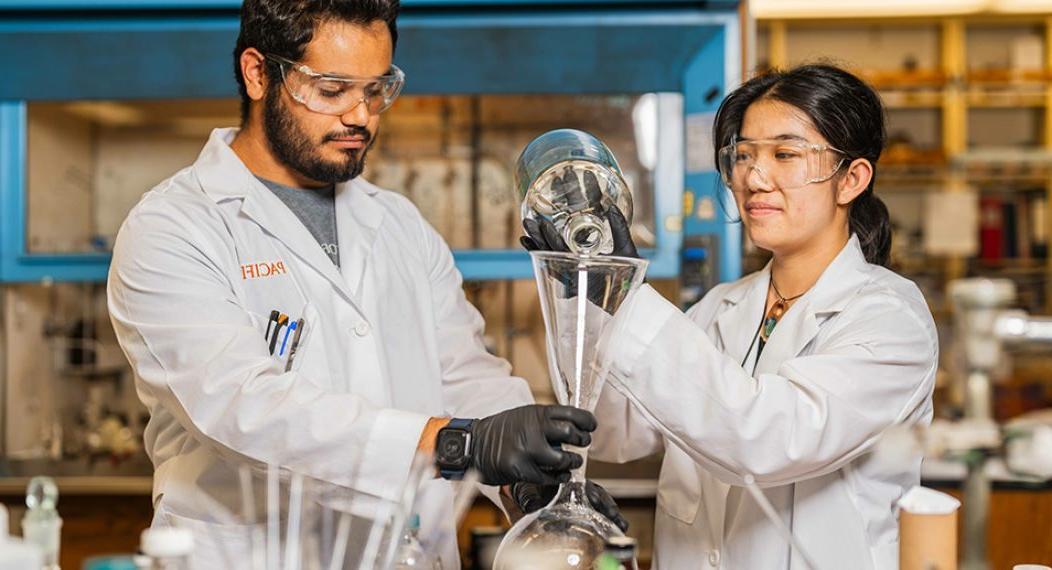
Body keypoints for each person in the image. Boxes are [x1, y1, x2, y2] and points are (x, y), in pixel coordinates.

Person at [107, 1, 621, 567]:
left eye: (376, 90)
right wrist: (458, 443)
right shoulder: (175, 227)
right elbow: (242, 407)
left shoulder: (399, 224)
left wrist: (527, 486)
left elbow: (465, 376)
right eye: (332, 90)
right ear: (258, 74)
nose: (362, 116)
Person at [523, 64, 938, 568]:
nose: (754, 178)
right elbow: (618, 431)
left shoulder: (890, 319)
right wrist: (587, 294)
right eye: (743, 155)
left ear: (851, 179)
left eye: (784, 154)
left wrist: (625, 300)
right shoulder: (722, 306)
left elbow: (766, 438)